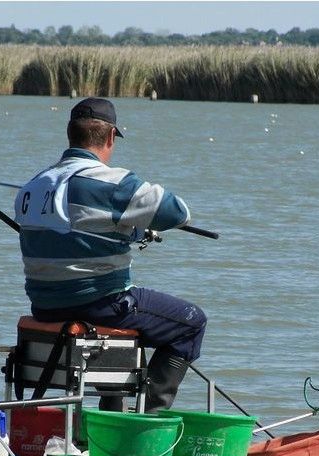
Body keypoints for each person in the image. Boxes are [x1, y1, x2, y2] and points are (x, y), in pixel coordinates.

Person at [14, 97, 206, 413]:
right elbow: (178, 212)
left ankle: (113, 409)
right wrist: (135, 218)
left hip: (45, 306)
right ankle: (149, 417)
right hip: (101, 303)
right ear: (111, 136)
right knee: (191, 322)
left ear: (70, 134)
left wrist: (129, 231)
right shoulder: (114, 183)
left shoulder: (32, 187)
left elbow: (75, 232)